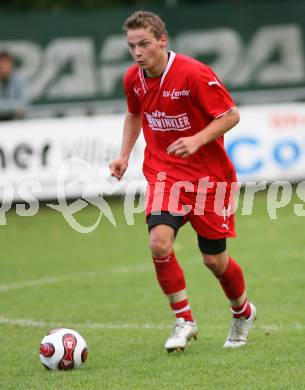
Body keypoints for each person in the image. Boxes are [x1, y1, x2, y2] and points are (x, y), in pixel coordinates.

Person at [109, 10, 256, 352]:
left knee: (214, 260)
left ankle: (243, 312)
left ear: (162, 40)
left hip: (210, 180)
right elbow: (134, 114)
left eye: (144, 44)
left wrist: (197, 140)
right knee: (159, 243)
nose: (137, 52)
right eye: (132, 46)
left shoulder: (193, 73)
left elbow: (231, 114)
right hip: (165, 175)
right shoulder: (133, 78)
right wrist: (125, 155)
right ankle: (184, 320)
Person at [0, 50, 27, 120]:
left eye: (6, 63)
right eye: (1, 63)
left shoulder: (20, 79)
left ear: (11, 64)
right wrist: (14, 107)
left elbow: (24, 102)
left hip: (16, 121)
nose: (3, 66)